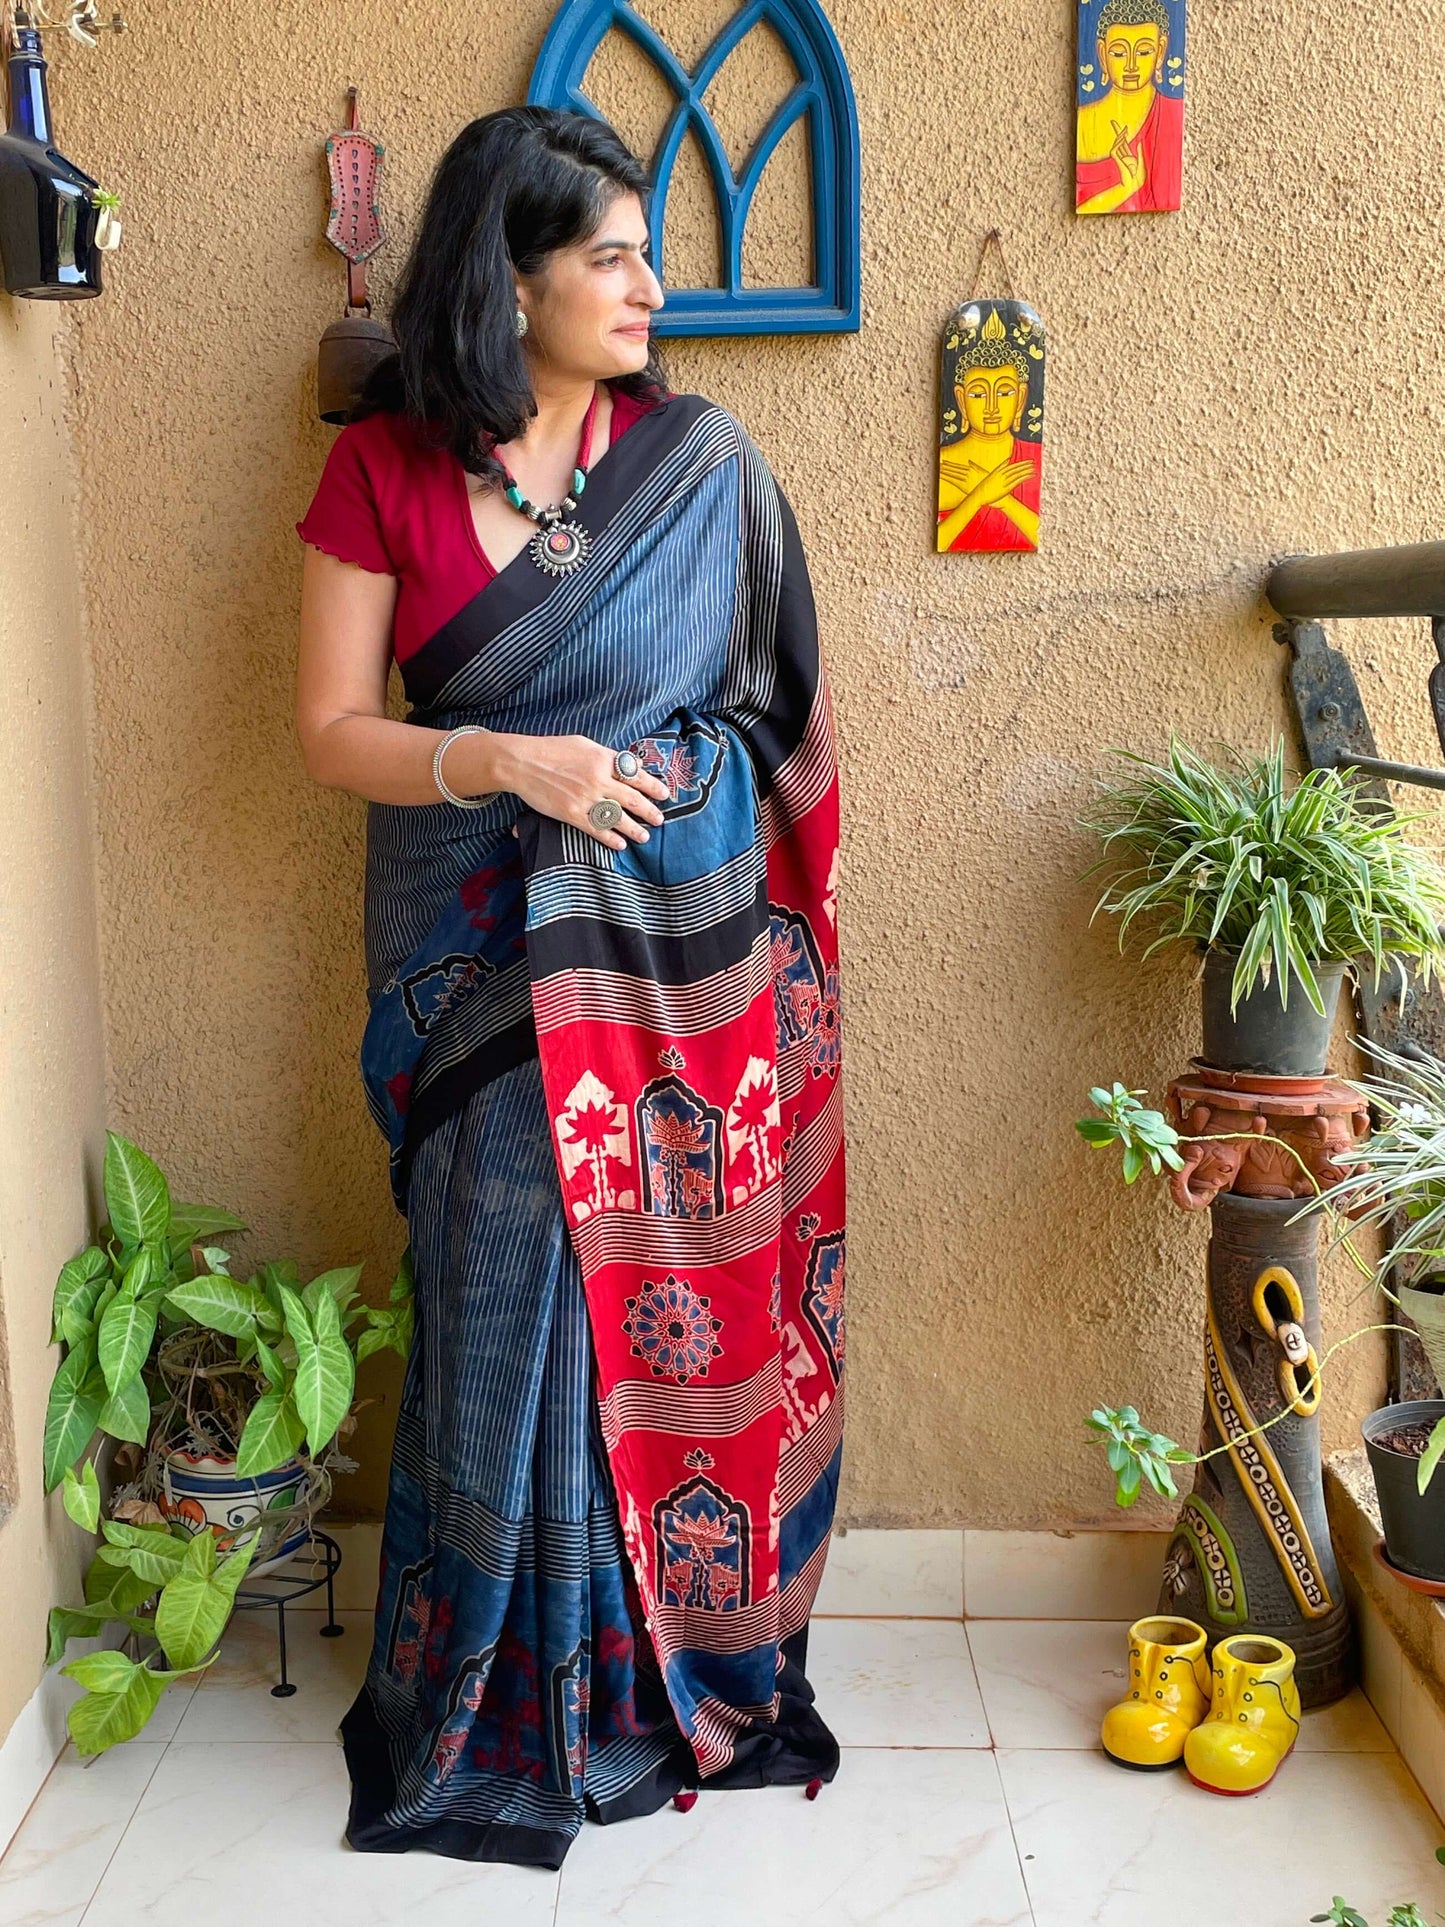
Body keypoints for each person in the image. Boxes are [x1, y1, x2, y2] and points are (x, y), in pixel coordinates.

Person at [293, 104, 847, 1871]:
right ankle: (500, 1694)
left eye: (645, 247)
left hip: (676, 977)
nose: (648, 282)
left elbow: (782, 713)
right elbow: (332, 732)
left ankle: (655, 1681)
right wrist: (512, 766)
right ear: (507, 274)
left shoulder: (698, 464)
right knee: (498, 1286)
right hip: (471, 969)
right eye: (608, 251)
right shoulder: (379, 468)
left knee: (662, 1295)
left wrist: (654, 806)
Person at [936, 309, 1041, 551]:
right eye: (978, 393)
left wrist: (1001, 499)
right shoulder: (948, 465)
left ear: (1021, 397)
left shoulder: (1029, 459)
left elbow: (1035, 535)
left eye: (1004, 392)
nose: (991, 407)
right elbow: (941, 541)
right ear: (961, 400)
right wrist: (978, 497)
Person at [1075, 0, 1183, 214]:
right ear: (1102, 53)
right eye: (1118, 53)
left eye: (1144, 52)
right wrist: (1125, 189)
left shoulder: (1170, 116)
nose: (1131, 64)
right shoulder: (1086, 122)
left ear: (1160, 52)